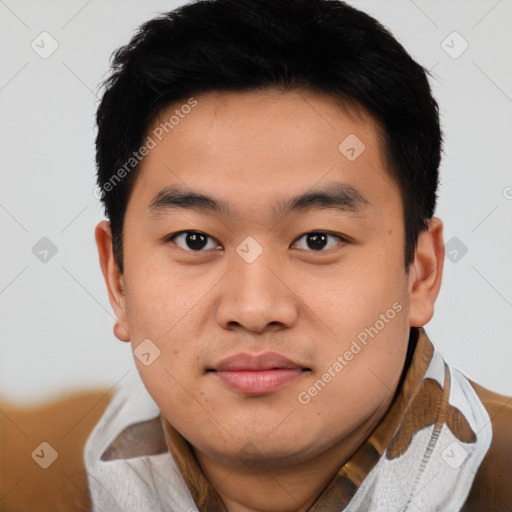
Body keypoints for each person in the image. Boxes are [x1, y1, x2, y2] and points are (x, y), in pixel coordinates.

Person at [88, 0, 512, 510]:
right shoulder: (36, 474)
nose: (254, 309)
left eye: (317, 240)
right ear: (118, 279)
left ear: (421, 273)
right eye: (195, 240)